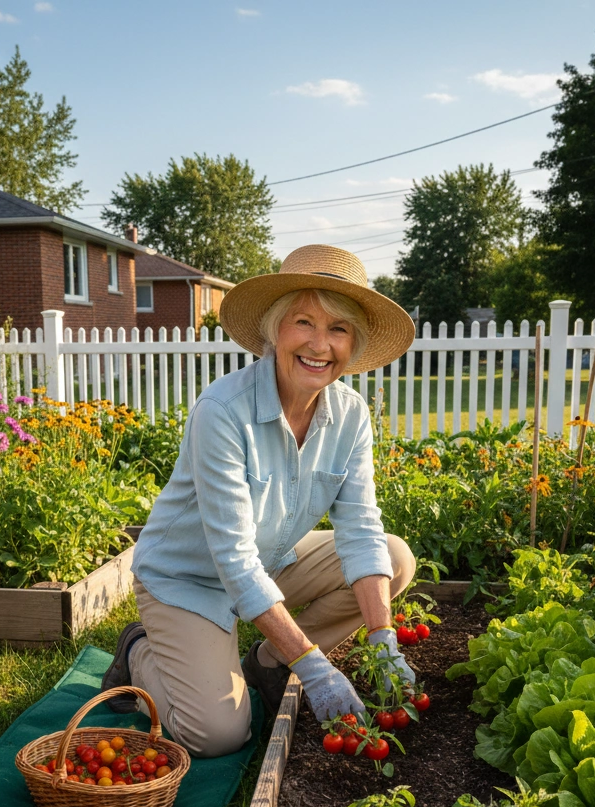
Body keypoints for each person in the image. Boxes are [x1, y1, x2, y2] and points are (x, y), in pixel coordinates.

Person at [102, 244, 418, 756]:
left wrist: (383, 638)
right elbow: (231, 557)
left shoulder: (351, 414)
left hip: (269, 564)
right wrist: (314, 665)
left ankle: (269, 661)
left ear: (354, 344)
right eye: (304, 322)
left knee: (393, 557)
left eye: (338, 329)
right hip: (189, 578)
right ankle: (138, 653)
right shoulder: (224, 410)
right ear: (275, 329)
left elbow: (360, 527)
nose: (320, 344)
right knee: (217, 735)